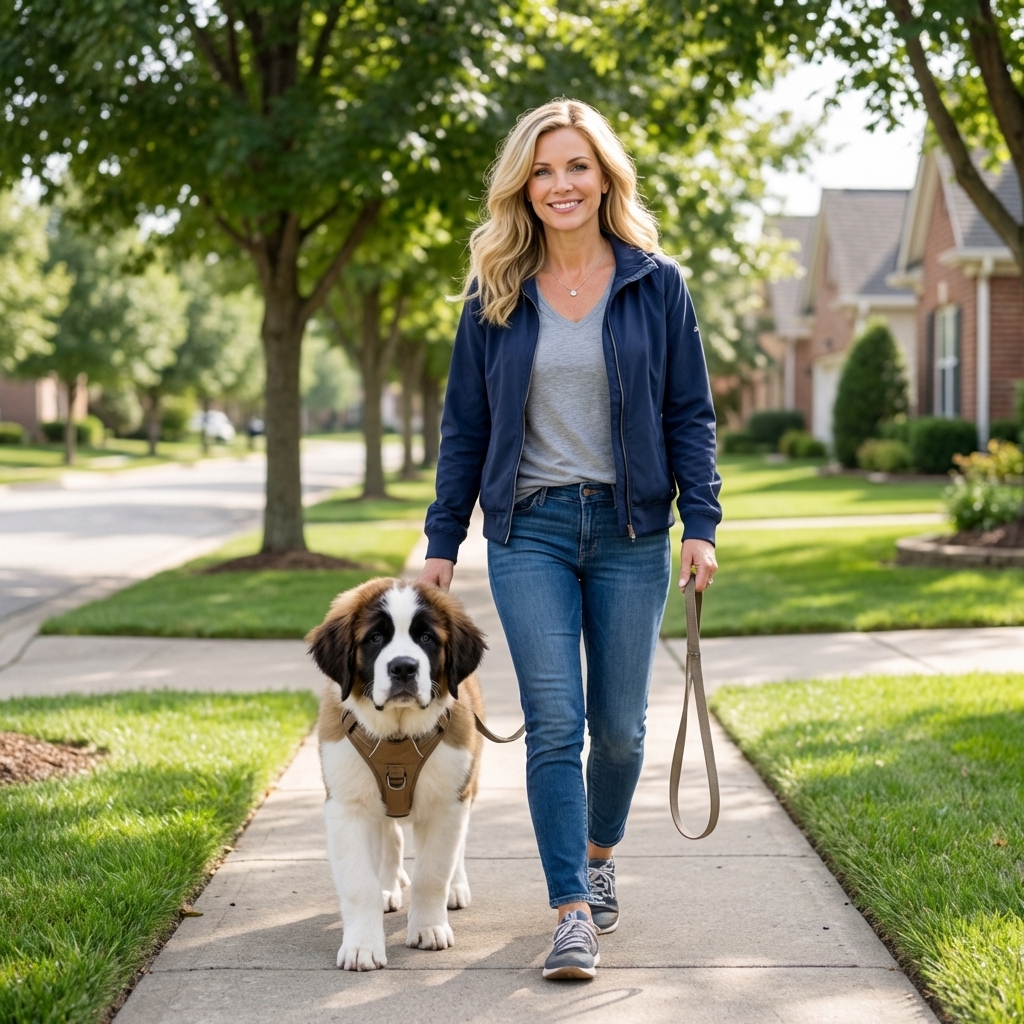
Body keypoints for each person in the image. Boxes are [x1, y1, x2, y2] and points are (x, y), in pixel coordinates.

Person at [417, 99, 721, 980]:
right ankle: (572, 911)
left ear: (605, 178)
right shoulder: (494, 293)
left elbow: (689, 414)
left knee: (620, 730)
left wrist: (699, 522)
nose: (561, 185)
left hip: (631, 530)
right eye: (544, 170)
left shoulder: (656, 283)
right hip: (531, 530)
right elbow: (464, 431)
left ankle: (598, 853)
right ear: (525, 184)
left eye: (577, 167)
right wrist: (443, 540)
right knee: (556, 722)